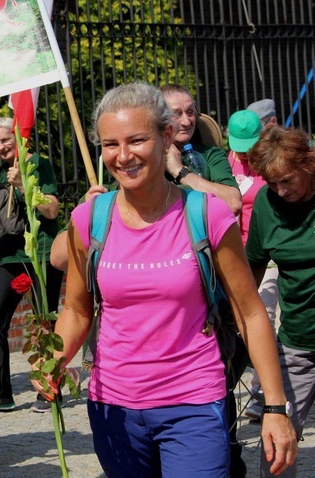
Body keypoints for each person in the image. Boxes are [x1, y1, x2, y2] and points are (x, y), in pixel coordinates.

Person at [43, 81, 296, 476]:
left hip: (193, 403)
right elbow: (77, 309)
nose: (122, 156)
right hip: (113, 408)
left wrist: (276, 408)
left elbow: (250, 313)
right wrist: (55, 360)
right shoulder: (89, 219)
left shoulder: (206, 214)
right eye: (110, 144)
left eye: (136, 140)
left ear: (165, 138)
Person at [0, 117, 63, 414]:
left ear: (19, 136)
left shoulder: (37, 163)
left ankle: (50, 391)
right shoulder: (0, 170)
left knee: (44, 324)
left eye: (5, 140)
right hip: (11, 257)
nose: (1, 147)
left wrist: (23, 184)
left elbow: (51, 210)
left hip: (41, 255)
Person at [246, 125, 315, 478]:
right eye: (272, 183)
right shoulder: (267, 203)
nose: (281, 190)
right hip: (298, 342)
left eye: (287, 180)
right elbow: (253, 267)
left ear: (309, 163)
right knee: (277, 439)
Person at [226, 106, 279, 422]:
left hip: (265, 256)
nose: (245, 155)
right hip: (234, 256)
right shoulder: (223, 162)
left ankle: (262, 392)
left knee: (265, 315)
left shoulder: (270, 162)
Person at [159, 84, 242, 215]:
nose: (186, 122)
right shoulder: (149, 157)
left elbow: (233, 203)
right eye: (176, 114)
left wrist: (179, 171)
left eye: (190, 112)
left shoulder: (210, 154)